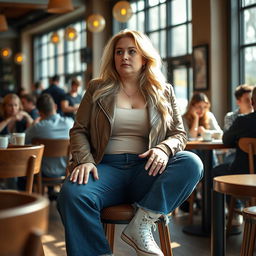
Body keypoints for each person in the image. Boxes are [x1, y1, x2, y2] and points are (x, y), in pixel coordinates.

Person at [57, 29, 203, 256]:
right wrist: (84, 161)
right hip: (105, 169)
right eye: (119, 52)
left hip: (147, 169)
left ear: (144, 57)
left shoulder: (164, 91)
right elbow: (79, 130)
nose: (124, 56)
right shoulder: (97, 88)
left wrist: (164, 149)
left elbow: (179, 135)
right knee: (72, 193)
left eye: (131, 51)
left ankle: (142, 225)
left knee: (192, 162)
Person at [25, 93, 74, 178]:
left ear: (39, 112)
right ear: (55, 107)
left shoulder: (37, 128)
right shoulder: (71, 123)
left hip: (43, 172)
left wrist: (33, 124)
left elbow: (23, 141)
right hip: (67, 171)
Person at [223, 84, 253, 163]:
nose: (251, 103)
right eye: (247, 100)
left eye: (252, 99)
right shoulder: (231, 117)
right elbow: (229, 140)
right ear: (238, 102)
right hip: (234, 154)